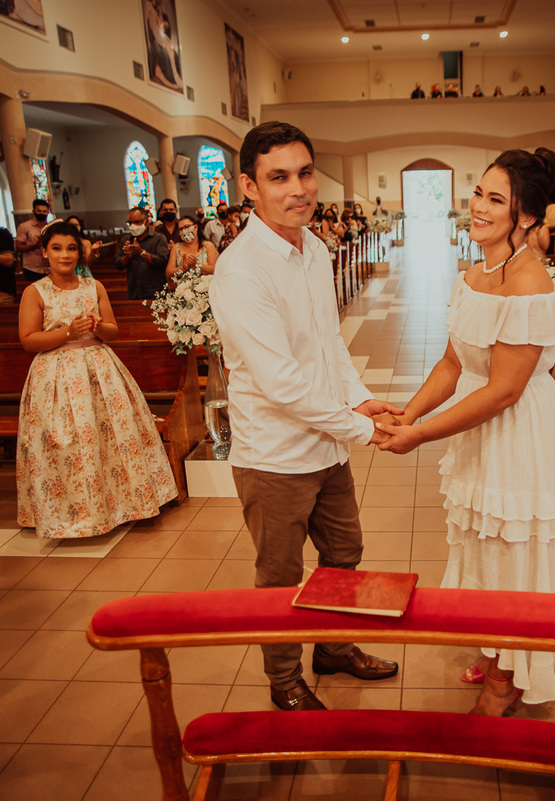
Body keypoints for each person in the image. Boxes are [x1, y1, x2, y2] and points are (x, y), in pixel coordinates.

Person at [373, 147, 555, 716]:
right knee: (484, 546)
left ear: (525, 217)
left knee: (514, 550)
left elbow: (504, 390)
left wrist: (421, 437)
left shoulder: (528, 283)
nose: (479, 207)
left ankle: (509, 677)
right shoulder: (474, 272)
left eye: (497, 200)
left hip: (519, 434)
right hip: (483, 429)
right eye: (478, 194)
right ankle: (498, 652)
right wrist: (407, 413)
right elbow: (452, 364)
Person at [209, 121, 403, 712]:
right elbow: (283, 384)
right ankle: (285, 679)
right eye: (279, 177)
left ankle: (334, 646)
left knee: (345, 552)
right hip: (275, 455)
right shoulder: (241, 270)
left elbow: (327, 344)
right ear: (249, 186)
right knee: (279, 576)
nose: (299, 189)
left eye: (305, 172)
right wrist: (364, 428)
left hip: (326, 447)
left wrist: (359, 397)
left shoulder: (314, 248)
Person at [16, 221, 176, 539]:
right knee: (69, 443)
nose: (65, 255)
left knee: (111, 436)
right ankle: (74, 514)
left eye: (71, 248)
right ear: (45, 253)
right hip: (56, 376)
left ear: (80, 252)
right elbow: (28, 339)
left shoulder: (94, 287)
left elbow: (113, 331)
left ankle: (122, 506)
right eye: (57, 248)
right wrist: (66, 332)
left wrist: (99, 327)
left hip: (99, 368)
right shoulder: (35, 292)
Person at [115, 206, 170, 299]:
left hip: (155, 293)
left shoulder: (159, 238)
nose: (132, 226)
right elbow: (118, 265)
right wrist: (128, 256)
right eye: (130, 222)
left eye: (136, 222)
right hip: (134, 292)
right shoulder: (126, 239)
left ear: (146, 222)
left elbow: (162, 262)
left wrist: (141, 252)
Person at [166, 214, 218, 282]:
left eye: (187, 226)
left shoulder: (208, 246)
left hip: (205, 287)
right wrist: (183, 268)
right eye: (181, 229)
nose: (184, 230)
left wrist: (196, 265)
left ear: (195, 227)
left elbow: (215, 270)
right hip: (182, 289)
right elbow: (168, 273)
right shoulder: (176, 247)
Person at [15, 198, 53, 284]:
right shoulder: (25, 226)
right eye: (39, 211)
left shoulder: (51, 227)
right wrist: (34, 245)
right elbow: (18, 247)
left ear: (48, 212)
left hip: (50, 267)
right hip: (32, 268)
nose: (42, 213)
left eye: (44, 211)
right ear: (34, 211)